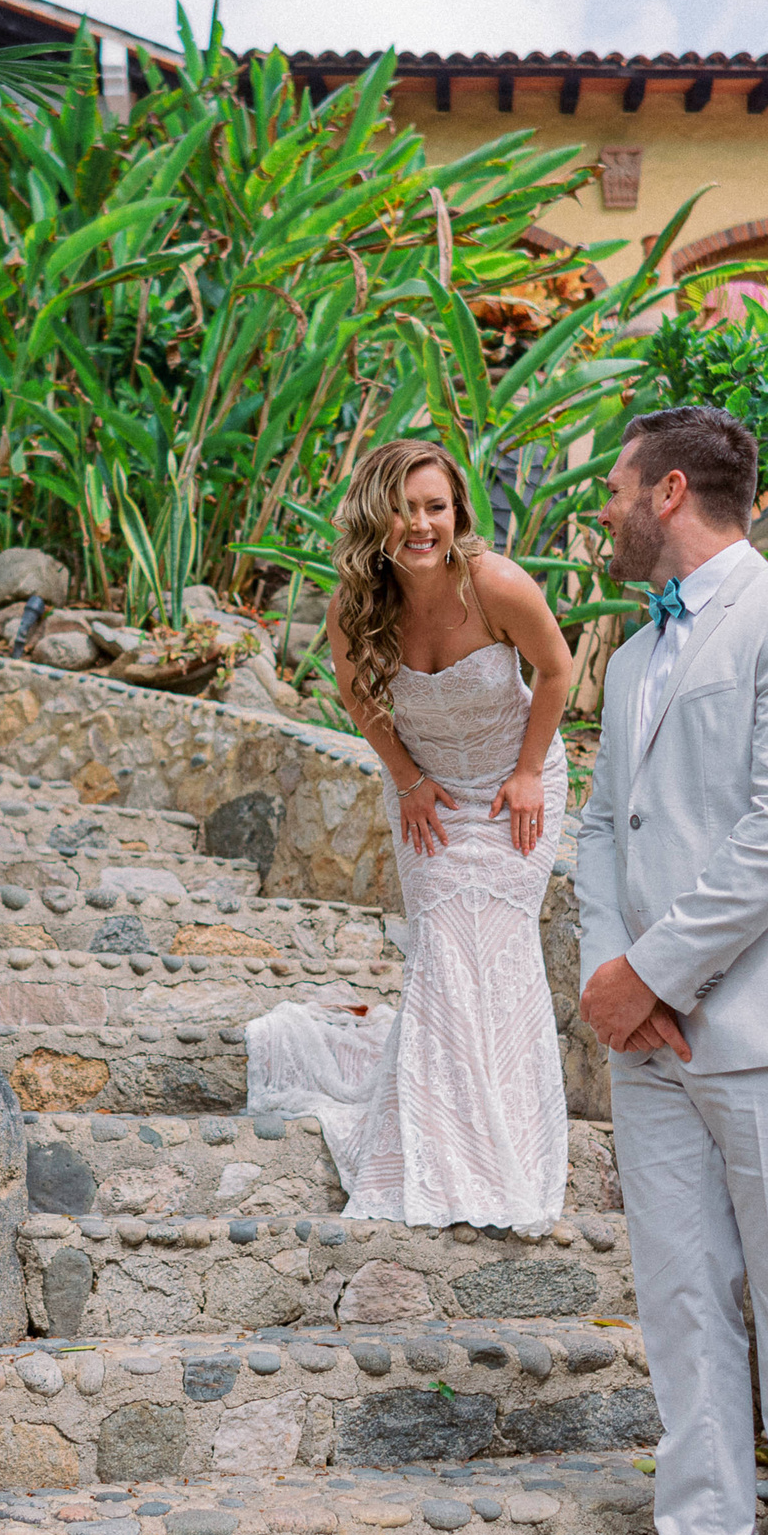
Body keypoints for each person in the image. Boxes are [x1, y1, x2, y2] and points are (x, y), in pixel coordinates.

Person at [574, 405, 768, 1535]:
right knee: (683, 1304)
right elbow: (604, 824)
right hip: (648, 1043)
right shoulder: (638, 652)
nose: (601, 508)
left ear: (664, 492)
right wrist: (612, 975)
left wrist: (651, 971)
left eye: (613, 484)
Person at [243, 437, 575, 1231]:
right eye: (404, 508)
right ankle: (432, 1135)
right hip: (427, 793)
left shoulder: (495, 583)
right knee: (441, 945)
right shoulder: (357, 604)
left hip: (514, 786)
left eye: (436, 506)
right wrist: (407, 778)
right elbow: (359, 699)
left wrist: (528, 772)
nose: (421, 524)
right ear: (375, 516)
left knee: (491, 942)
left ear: (458, 510)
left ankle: (504, 1143)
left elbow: (557, 669)